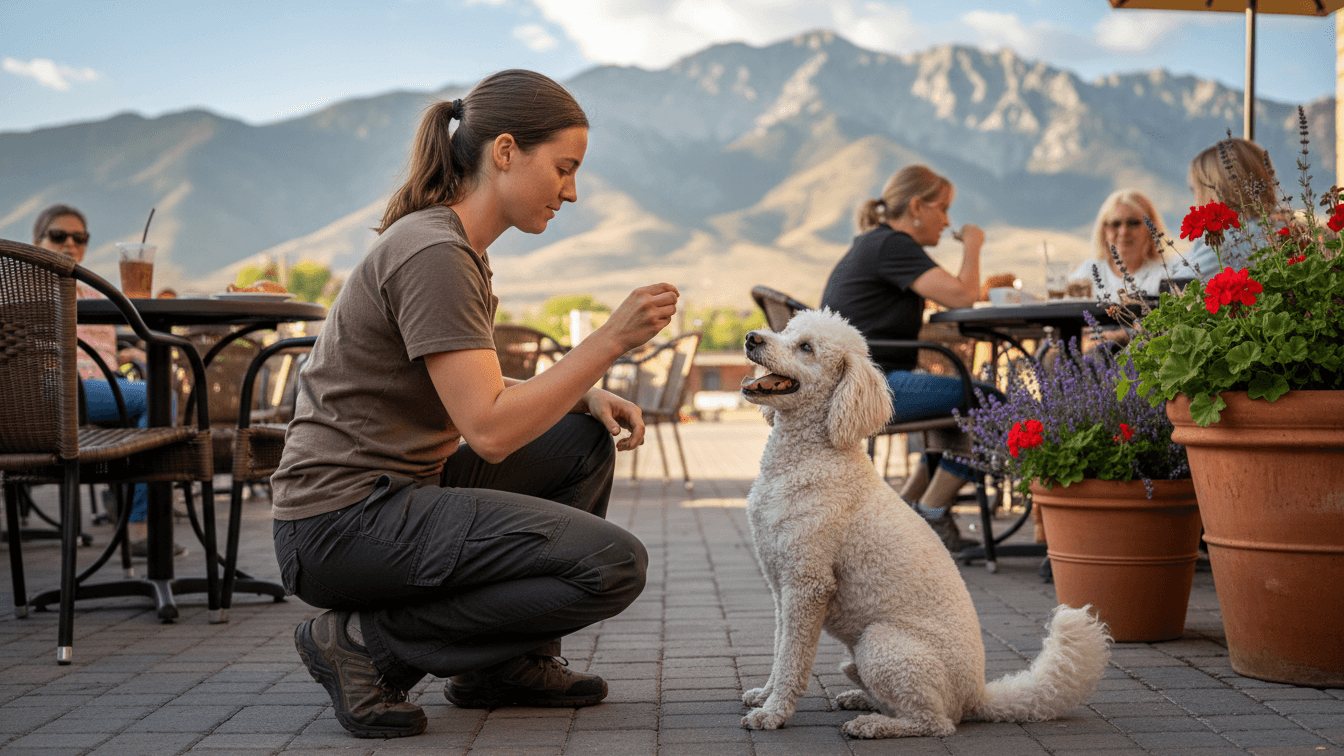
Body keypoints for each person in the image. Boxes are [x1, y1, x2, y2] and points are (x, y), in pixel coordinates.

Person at [269, 70, 679, 739]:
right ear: (507, 151)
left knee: (580, 441)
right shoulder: (433, 250)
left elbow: (469, 393)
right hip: (339, 523)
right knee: (612, 565)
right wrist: (607, 343)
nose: (571, 192)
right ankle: (365, 645)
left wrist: (584, 391)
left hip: (391, 498)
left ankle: (503, 664)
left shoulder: (456, 248)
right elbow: (487, 431)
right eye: (564, 168)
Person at [819, 164, 995, 554]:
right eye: (944, 208)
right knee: (990, 402)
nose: (947, 220)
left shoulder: (877, 244)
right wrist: (972, 244)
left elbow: (952, 292)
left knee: (954, 422)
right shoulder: (893, 245)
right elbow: (963, 297)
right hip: (870, 386)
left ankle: (902, 518)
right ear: (918, 206)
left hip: (855, 382)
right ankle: (931, 512)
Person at [31, 204, 182, 559]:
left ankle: (125, 497)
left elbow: (123, 333)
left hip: (100, 390)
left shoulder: (94, 291)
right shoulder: (32, 285)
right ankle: (138, 524)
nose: (70, 243)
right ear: (37, 240)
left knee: (156, 402)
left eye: (79, 237)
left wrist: (129, 355)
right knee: (160, 398)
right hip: (55, 391)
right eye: (58, 235)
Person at [1183, 137, 1281, 279]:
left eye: (1194, 189)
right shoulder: (1285, 230)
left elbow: (1175, 287)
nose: (1195, 202)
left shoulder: (1224, 243)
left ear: (1213, 191)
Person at [1070, 189, 1170, 300]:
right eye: (1115, 224)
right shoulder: (1088, 273)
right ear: (1103, 229)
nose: (1123, 231)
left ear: (1150, 227)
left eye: (1133, 223)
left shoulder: (1166, 275)